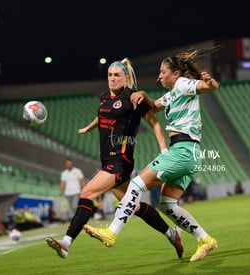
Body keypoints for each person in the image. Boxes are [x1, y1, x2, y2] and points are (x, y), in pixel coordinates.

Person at [84, 46, 221, 262]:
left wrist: (210, 81)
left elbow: (208, 87)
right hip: (189, 152)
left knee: (137, 184)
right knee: (167, 205)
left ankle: (111, 232)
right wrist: (144, 95)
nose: (159, 76)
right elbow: (154, 106)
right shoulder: (172, 94)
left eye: (162, 72)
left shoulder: (184, 84)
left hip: (183, 150)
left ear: (175, 74)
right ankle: (205, 239)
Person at [45, 57, 184, 260]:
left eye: (117, 75)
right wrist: (88, 128)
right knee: (134, 206)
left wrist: (164, 151)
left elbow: (154, 123)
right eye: (110, 75)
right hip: (107, 160)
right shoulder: (104, 98)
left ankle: (66, 243)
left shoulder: (132, 98)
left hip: (120, 162)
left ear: (126, 77)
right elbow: (102, 116)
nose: (112, 78)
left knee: (87, 192)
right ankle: (172, 233)